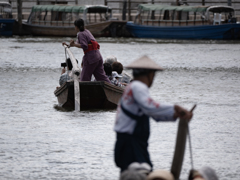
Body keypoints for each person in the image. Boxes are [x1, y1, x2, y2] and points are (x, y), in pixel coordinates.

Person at [114, 55, 193, 172]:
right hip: (130, 144)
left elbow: (153, 113)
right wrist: (176, 108)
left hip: (129, 143)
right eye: (153, 75)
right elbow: (150, 107)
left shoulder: (131, 87)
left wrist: (174, 114)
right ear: (149, 75)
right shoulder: (138, 87)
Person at [62, 18, 110, 83]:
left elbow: (84, 46)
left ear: (76, 27)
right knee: (102, 77)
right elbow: (78, 42)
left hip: (91, 58)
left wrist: (74, 45)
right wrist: (69, 45)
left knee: (84, 79)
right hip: (98, 56)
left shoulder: (81, 34)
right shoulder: (86, 31)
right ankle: (112, 89)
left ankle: (84, 92)